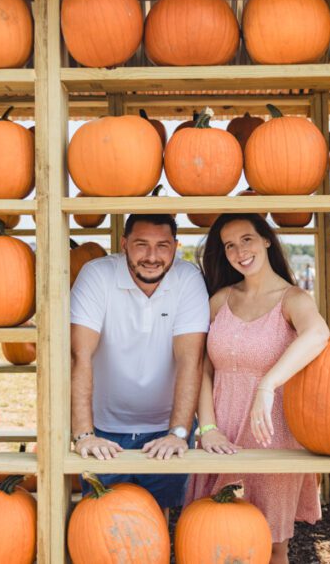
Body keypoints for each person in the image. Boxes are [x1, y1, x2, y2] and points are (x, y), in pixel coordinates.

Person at [188, 213, 330, 564]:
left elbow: (318, 333)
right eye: (230, 245)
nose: (239, 251)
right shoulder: (220, 300)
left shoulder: (292, 299)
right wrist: (208, 429)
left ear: (266, 239)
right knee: (211, 542)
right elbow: (201, 369)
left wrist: (268, 384)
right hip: (219, 436)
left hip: (271, 434)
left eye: (247, 239)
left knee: (271, 545)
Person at [70, 213, 209, 512]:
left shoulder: (188, 279)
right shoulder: (97, 275)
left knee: (158, 521)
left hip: (165, 429)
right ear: (124, 244)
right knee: (100, 522)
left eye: (162, 246)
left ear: (175, 245)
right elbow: (79, 355)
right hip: (103, 429)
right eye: (141, 245)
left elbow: (191, 360)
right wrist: (83, 434)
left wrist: (178, 433)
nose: (151, 256)